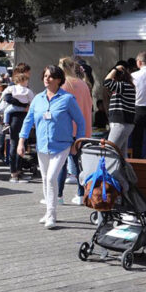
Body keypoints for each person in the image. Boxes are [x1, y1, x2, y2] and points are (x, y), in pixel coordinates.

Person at [18, 65, 86, 229]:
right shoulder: (37, 99)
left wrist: (77, 143)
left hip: (62, 145)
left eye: (51, 76)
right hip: (42, 145)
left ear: (58, 80)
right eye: (45, 76)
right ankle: (49, 211)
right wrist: (21, 141)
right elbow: (28, 121)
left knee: (51, 178)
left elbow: (81, 122)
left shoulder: (67, 99)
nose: (47, 79)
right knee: (45, 179)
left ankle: (52, 214)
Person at [56, 57, 92, 206]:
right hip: (82, 129)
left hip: (65, 129)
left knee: (61, 164)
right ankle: (81, 194)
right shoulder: (84, 84)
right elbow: (89, 106)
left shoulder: (62, 85)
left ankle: (58, 195)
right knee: (79, 163)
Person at [103, 62, 136, 156]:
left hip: (120, 123)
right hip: (123, 124)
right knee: (121, 155)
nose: (112, 79)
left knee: (109, 151)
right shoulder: (125, 86)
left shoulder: (123, 86)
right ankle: (124, 167)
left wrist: (115, 69)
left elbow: (106, 82)